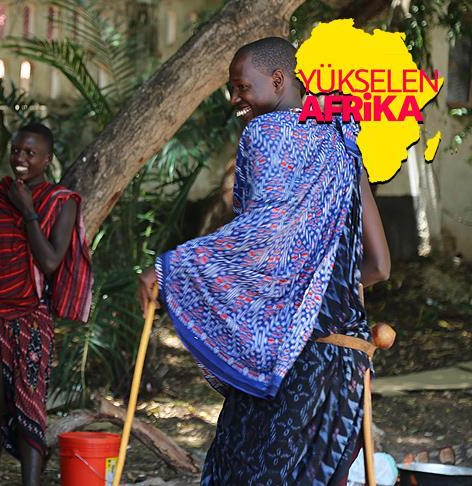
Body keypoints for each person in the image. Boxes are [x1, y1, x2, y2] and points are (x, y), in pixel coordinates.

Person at [138, 37, 391, 485]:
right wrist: (325, 295)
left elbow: (261, 241)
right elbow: (378, 266)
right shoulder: (344, 144)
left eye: (241, 87)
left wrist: (171, 270)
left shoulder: (266, 134)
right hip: (345, 371)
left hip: (288, 365)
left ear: (278, 79)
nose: (235, 99)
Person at [0, 123, 93, 486]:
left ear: (47, 159)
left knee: (29, 403)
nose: (20, 158)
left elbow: (51, 261)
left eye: (29, 153)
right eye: (16, 150)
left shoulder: (61, 201)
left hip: (31, 311)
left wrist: (28, 211)